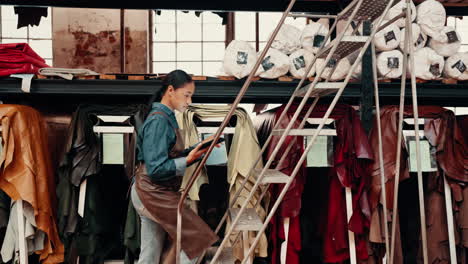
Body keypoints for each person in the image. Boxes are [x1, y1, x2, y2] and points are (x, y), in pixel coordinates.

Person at [131, 70, 219, 264]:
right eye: (186, 95)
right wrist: (187, 160)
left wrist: (197, 150)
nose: (189, 101)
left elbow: (168, 156)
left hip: (150, 191)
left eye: (191, 96)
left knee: (150, 253)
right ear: (170, 90)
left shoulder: (165, 117)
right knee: (198, 239)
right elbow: (155, 168)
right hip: (151, 192)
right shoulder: (158, 120)